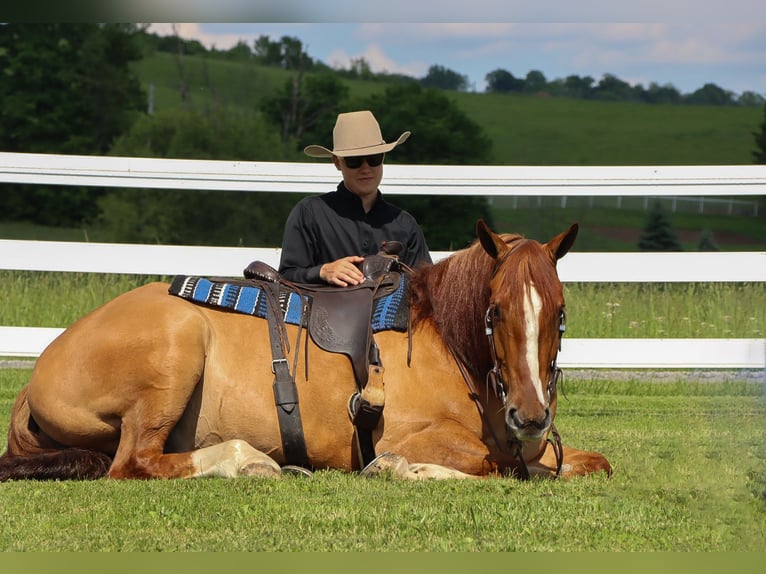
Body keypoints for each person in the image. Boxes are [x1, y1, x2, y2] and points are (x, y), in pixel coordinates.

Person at [278, 110, 432, 286]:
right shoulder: (310, 213)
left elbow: (424, 286)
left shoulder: (405, 225)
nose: (365, 168)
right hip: (324, 310)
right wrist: (323, 271)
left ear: (383, 158)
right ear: (337, 162)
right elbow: (286, 275)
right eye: (354, 160)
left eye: (374, 158)